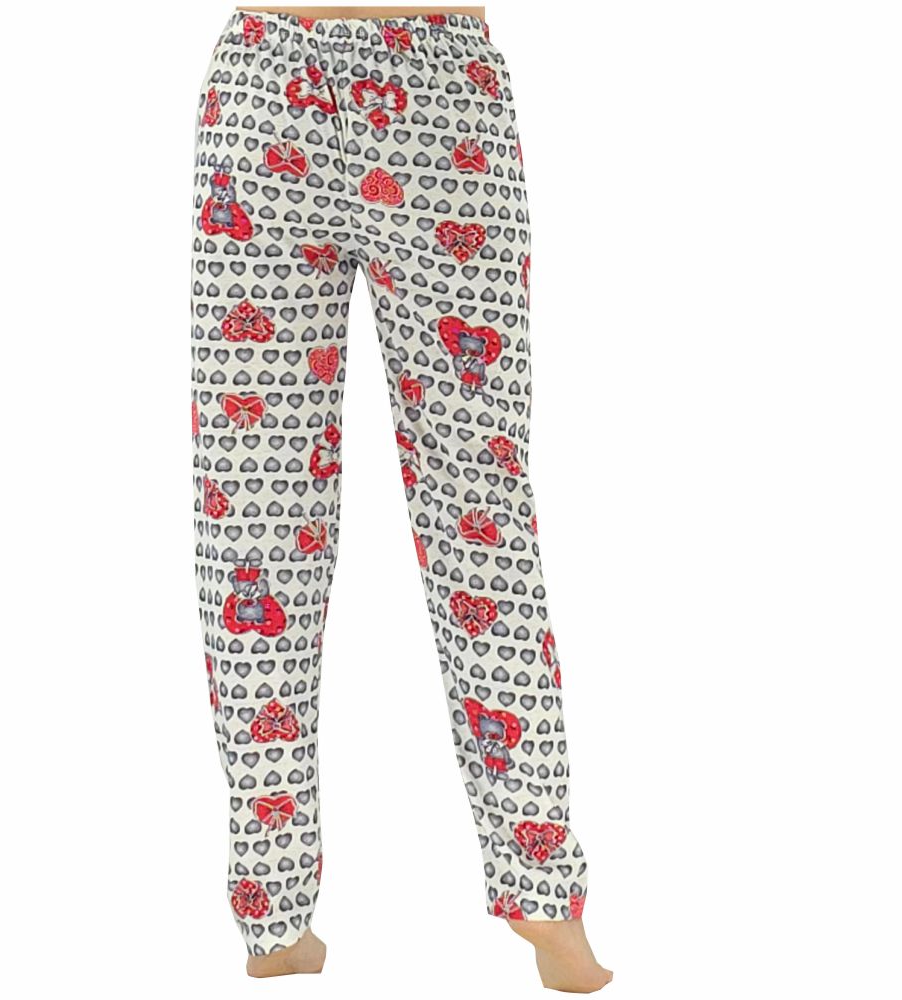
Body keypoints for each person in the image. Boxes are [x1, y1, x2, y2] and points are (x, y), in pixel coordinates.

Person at [190, 6, 613, 992]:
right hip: (409, 91)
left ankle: (273, 907)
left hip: (277, 91)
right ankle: (539, 891)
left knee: (254, 526)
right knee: (476, 514)